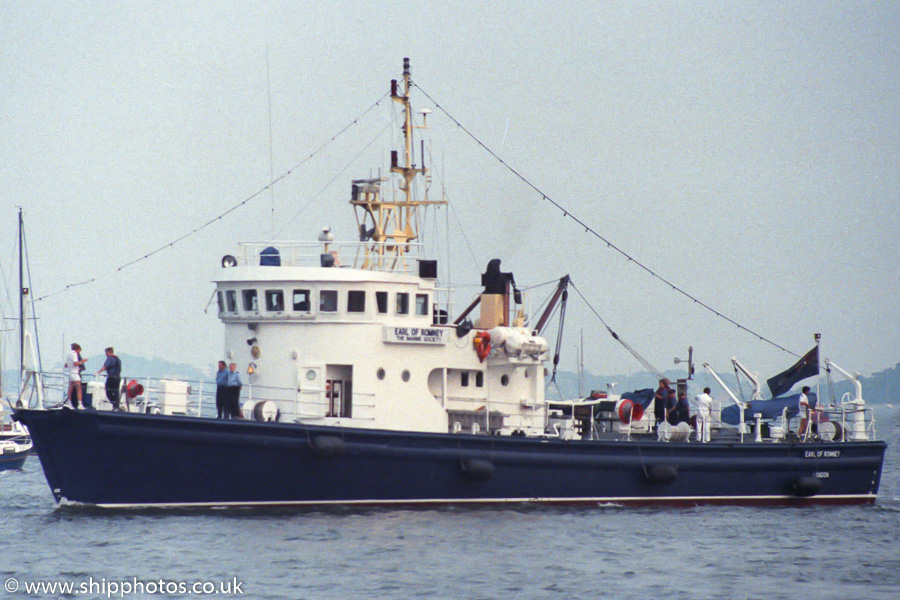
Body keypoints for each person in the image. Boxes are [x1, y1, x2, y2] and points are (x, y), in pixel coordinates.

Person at [64, 343, 87, 408]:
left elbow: (66, 365)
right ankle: (80, 404)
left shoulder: (68, 354)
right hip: (75, 373)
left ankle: (69, 402)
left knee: (70, 387)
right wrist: (82, 361)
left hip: (70, 373)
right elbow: (76, 363)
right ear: (77, 349)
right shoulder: (74, 354)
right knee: (79, 388)